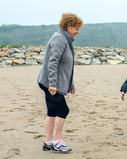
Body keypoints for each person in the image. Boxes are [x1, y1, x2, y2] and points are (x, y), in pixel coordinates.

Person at [37, 12, 83, 152]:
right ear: (69, 26)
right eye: (76, 28)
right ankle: (57, 141)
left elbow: (66, 66)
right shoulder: (60, 39)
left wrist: (71, 84)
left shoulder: (65, 39)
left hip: (50, 81)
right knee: (63, 109)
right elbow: (53, 62)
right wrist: (52, 84)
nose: (78, 32)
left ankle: (48, 142)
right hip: (49, 82)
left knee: (52, 111)